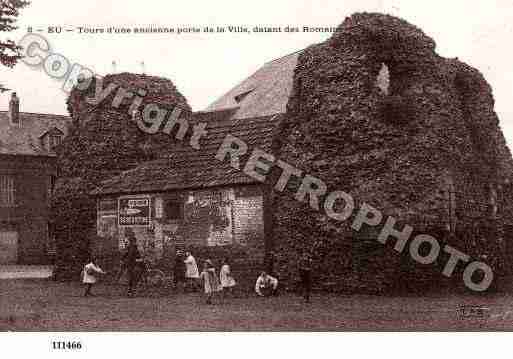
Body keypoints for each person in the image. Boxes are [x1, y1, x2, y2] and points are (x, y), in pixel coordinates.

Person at [123, 231, 141, 297]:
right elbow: (127, 256)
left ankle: (131, 292)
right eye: (125, 242)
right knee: (132, 279)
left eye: (126, 242)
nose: (125, 243)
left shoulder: (132, 248)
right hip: (131, 265)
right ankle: (130, 292)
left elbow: (138, 257)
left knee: (132, 279)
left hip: (132, 265)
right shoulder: (130, 248)